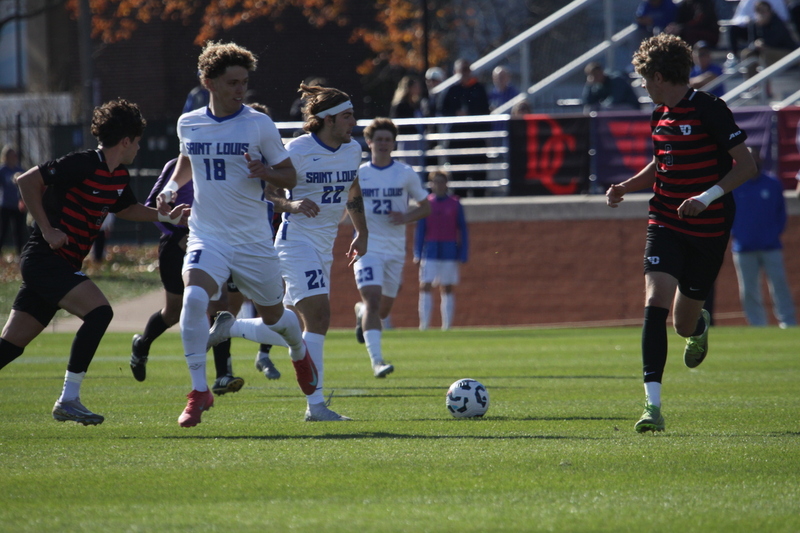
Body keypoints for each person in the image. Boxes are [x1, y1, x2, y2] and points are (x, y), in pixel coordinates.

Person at [0, 99, 190, 425]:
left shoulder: (118, 176)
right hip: (46, 259)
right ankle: (69, 398)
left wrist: (166, 217)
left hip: (58, 263)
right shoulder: (85, 163)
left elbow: (126, 208)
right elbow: (27, 180)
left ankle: (68, 399)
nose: (139, 147)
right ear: (126, 141)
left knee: (10, 347)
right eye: (138, 141)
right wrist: (47, 229)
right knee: (100, 311)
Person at [158, 41, 315, 428]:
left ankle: (299, 350)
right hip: (207, 233)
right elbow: (186, 161)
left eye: (243, 81)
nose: (240, 89)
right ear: (207, 82)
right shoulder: (189, 122)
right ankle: (199, 392)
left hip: (252, 241)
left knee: (277, 318)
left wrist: (266, 173)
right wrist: (170, 188)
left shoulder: (258, 124)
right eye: (231, 82)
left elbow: (290, 175)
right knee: (194, 299)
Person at [606, 34, 757, 434]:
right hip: (665, 221)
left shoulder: (709, 109)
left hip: (708, 229)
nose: (642, 86)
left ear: (659, 76)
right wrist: (626, 186)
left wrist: (705, 197)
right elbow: (661, 162)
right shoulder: (659, 115)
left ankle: (699, 327)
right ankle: (652, 406)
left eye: (644, 79)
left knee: (682, 325)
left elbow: (747, 166)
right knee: (654, 299)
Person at [209, 82, 368, 422]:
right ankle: (317, 406)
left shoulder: (353, 149)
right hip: (296, 242)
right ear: (327, 120)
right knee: (320, 318)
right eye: (347, 116)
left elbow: (353, 186)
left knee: (292, 326)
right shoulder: (297, 150)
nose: (353, 121)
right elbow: (265, 189)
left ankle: (232, 328)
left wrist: (361, 230)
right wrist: (291, 204)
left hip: (323, 248)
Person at [128, 158, 248, 394]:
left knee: (219, 304)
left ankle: (223, 374)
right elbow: (152, 205)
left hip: (212, 240)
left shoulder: (224, 162)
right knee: (173, 311)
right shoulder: (177, 165)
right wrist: (176, 236)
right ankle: (141, 345)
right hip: (176, 243)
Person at [353, 118, 430, 377]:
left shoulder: (405, 173)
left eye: (388, 139)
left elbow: (426, 205)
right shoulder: (359, 173)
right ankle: (377, 361)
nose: (384, 144)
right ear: (369, 142)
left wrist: (405, 217)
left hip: (395, 249)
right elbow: (346, 204)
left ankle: (361, 312)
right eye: (379, 139)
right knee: (374, 301)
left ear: (394, 143)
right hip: (368, 247)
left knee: (381, 310)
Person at [731, 148, 797, 328]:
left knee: (779, 285)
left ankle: (787, 321)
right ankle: (757, 324)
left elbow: (781, 214)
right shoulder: (735, 186)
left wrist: (773, 234)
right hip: (743, 248)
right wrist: (737, 234)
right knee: (749, 290)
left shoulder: (773, 184)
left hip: (771, 247)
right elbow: (727, 215)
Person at [414, 170, 468, 331]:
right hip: (430, 251)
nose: (438, 185)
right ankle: (424, 325)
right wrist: (417, 253)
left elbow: (463, 230)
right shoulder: (426, 203)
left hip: (449, 251)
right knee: (425, 285)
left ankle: (447, 325)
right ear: (431, 184)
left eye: (441, 181)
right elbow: (420, 231)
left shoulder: (454, 203)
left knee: (447, 287)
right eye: (435, 182)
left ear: (446, 184)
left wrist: (463, 253)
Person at [441, 59, 491, 195]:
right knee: (458, 184)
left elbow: (486, 112)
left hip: (476, 141)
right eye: (461, 70)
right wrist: (456, 114)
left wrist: (471, 114)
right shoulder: (452, 90)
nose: (464, 74)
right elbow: (443, 111)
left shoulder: (479, 89)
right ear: (455, 72)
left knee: (479, 182)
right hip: (457, 142)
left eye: (467, 70)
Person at [740, 2, 799, 80]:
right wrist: (755, 44)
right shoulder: (754, 24)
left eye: (764, 11)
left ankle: (767, 85)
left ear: (769, 11)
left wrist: (763, 43)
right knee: (747, 53)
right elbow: (751, 42)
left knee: (765, 54)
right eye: (759, 11)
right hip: (764, 50)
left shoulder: (777, 22)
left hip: (785, 51)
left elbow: (777, 41)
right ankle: (751, 84)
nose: (762, 13)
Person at [0, 146, 26, 255]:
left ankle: (19, 254)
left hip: (18, 205)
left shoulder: (20, 170)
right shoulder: (2, 170)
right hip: (5, 204)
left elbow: (25, 188)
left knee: (19, 231)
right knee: (3, 230)